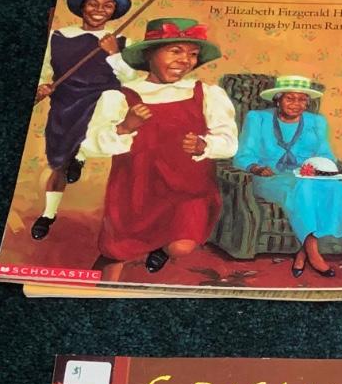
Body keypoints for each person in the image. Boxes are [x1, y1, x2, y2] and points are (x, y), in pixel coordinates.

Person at [81, 17, 238, 279]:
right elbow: (90, 145)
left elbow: (229, 142)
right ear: (149, 54)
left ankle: (162, 249)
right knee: (119, 250)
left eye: (192, 54)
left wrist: (205, 144)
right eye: (175, 51)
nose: (185, 60)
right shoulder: (121, 95)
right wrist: (124, 127)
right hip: (138, 189)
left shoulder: (206, 93)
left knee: (181, 246)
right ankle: (100, 289)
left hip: (190, 189)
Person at [30, 0, 137, 240]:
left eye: (108, 5)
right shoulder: (58, 37)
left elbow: (132, 79)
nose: (100, 9)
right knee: (58, 163)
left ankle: (82, 154)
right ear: (82, 6)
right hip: (66, 103)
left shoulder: (122, 40)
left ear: (114, 11)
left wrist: (113, 53)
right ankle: (48, 214)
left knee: (107, 107)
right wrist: (42, 87)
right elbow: (44, 70)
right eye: (93, 3)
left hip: (101, 101)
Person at [232, 74, 342, 277]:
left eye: (302, 99)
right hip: (270, 177)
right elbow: (243, 155)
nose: (296, 104)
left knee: (336, 187)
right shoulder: (257, 118)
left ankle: (302, 253)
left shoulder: (317, 122)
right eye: (290, 98)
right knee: (303, 189)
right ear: (277, 99)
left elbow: (326, 154)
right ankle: (313, 254)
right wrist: (256, 168)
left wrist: (316, 167)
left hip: (307, 176)